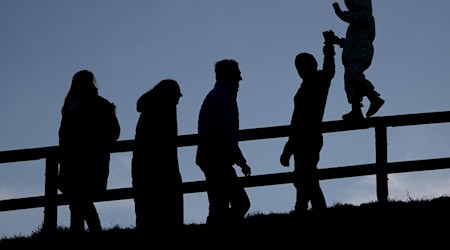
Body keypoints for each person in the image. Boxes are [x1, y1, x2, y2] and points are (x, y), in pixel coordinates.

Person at [280, 30, 338, 216]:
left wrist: (328, 47)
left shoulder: (319, 80)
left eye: (302, 66)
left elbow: (329, 70)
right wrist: (289, 147)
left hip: (308, 137)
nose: (300, 70)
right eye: (298, 67)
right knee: (304, 177)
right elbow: (296, 119)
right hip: (302, 138)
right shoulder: (307, 86)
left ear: (310, 66)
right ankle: (305, 208)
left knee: (306, 177)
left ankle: (306, 209)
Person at [58, 70, 121, 234]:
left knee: (78, 199)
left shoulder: (76, 105)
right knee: (79, 199)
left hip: (82, 160)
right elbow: (115, 132)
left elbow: (114, 132)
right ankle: (89, 232)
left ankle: (87, 232)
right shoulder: (97, 104)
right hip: (85, 160)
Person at [195, 59, 252, 228]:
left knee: (218, 205)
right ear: (227, 75)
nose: (240, 79)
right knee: (239, 203)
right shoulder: (222, 98)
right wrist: (241, 161)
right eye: (237, 74)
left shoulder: (219, 96)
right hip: (216, 158)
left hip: (213, 157)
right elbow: (226, 135)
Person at [131, 79, 184, 237]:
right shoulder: (164, 109)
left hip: (144, 166)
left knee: (146, 210)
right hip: (161, 167)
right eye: (177, 96)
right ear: (170, 95)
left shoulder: (150, 107)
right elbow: (165, 142)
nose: (178, 101)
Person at [332, 0, 385, 120]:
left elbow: (355, 18)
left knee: (354, 76)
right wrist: (338, 41)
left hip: (361, 52)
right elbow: (350, 41)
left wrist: (339, 12)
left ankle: (374, 97)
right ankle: (356, 110)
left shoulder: (365, 16)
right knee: (349, 82)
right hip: (352, 54)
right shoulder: (354, 27)